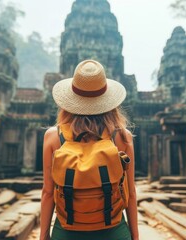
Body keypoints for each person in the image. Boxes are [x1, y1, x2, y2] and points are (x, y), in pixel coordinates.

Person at [39, 59, 139, 240]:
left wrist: (43, 235)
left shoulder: (53, 136)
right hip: (114, 230)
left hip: (67, 231)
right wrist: (135, 237)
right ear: (108, 100)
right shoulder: (122, 137)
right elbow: (130, 193)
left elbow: (48, 193)